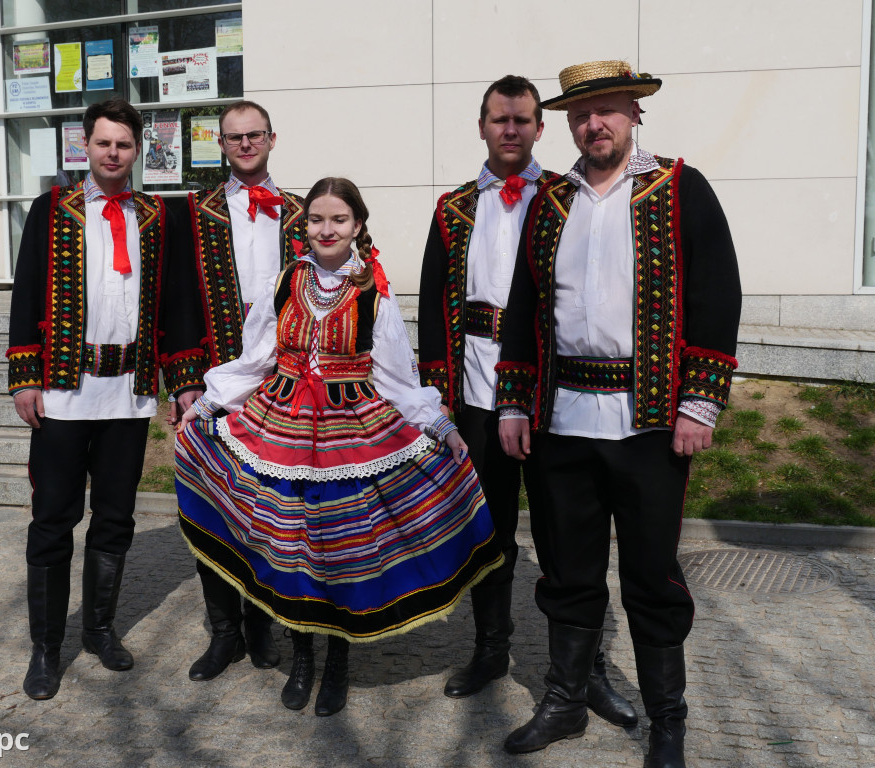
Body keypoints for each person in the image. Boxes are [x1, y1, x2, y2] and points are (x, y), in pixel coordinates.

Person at [175, 177, 503, 717]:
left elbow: (397, 375)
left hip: (350, 431)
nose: (326, 230)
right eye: (317, 220)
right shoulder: (285, 282)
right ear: (303, 227)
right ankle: (302, 656)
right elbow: (255, 358)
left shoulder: (374, 293)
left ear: (357, 226)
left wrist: (440, 426)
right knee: (292, 546)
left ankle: (337, 662)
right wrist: (207, 406)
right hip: (279, 425)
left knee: (339, 550)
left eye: (338, 220)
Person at [495, 61, 741, 765]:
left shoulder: (681, 188)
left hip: (652, 420)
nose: (593, 124)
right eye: (580, 114)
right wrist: (513, 399)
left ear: (636, 112)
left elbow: (718, 298)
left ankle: (668, 721)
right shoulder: (551, 200)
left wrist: (701, 401)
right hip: (561, 420)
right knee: (568, 571)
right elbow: (524, 304)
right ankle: (567, 702)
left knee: (651, 575)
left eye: (606, 109)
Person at [417, 74, 634, 725]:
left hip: (553, 396)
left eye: (521, 120)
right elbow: (432, 306)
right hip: (479, 395)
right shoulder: (453, 209)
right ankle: (491, 649)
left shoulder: (572, 199)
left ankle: (586, 668)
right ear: (481, 126)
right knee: (488, 536)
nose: (509, 130)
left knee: (571, 538)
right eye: (498, 120)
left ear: (541, 128)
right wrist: (437, 396)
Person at [6, 97, 197, 701]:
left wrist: (184, 380)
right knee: (53, 519)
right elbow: (26, 291)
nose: (113, 153)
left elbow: (175, 302)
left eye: (124, 144)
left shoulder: (156, 217)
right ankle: (46, 650)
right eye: (103, 143)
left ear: (138, 151)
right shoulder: (51, 209)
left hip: (129, 395)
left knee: (115, 518)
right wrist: (25, 376)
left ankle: (99, 630)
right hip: (63, 391)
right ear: (84, 147)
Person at [166, 100, 306, 684]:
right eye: (234, 137)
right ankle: (224, 630)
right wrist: (183, 382)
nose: (245, 144)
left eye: (254, 135)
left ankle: (262, 624)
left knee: (274, 507)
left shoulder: (304, 210)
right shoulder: (192, 212)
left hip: (286, 384)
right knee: (214, 504)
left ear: (272, 139)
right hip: (217, 382)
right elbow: (175, 299)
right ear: (219, 145)